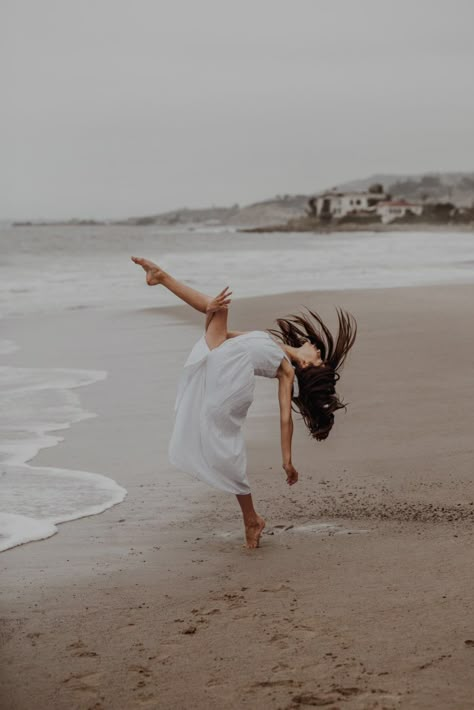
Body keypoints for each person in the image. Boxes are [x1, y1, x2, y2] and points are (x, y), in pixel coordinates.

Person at [131, 256, 357, 549]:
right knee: (218, 307)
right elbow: (225, 336)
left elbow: (285, 418)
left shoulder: (287, 371)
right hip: (223, 364)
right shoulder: (278, 348)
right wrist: (211, 312)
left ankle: (161, 277)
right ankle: (251, 519)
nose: (317, 349)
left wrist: (287, 460)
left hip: (228, 377)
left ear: (309, 367)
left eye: (319, 357)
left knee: (219, 306)